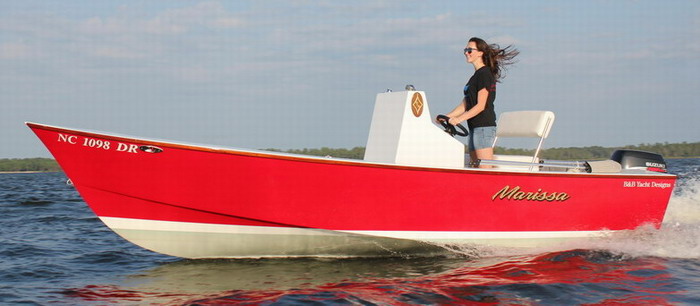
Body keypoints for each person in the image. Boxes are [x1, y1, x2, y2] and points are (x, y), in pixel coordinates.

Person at [439, 37, 518, 168]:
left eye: (470, 50)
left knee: (484, 168)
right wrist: (447, 116)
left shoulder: (484, 74)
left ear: (480, 52)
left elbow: (481, 105)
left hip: (483, 127)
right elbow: (466, 103)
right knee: (474, 168)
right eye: (465, 50)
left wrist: (459, 119)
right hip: (474, 127)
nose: (466, 53)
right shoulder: (475, 76)